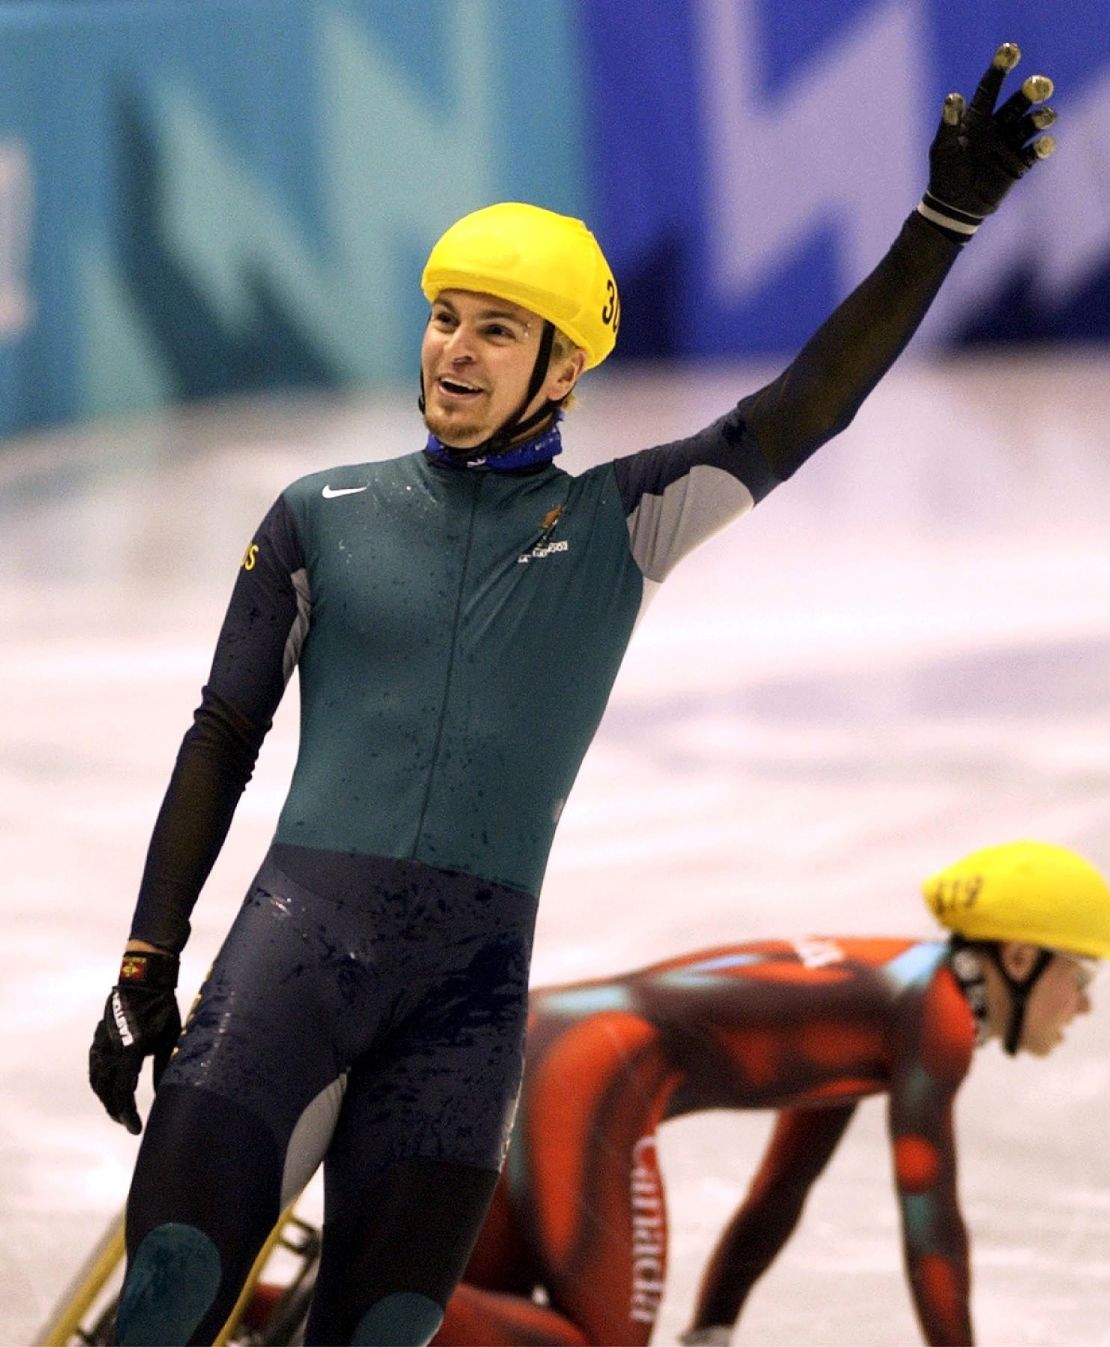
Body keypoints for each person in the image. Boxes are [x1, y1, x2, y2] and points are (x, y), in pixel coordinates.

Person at [87, 44, 1057, 1347]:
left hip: (465, 1011)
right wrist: (150, 956)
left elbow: (803, 408)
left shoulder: (623, 524)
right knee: (162, 1306)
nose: (455, 349)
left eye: (497, 328)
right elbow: (223, 734)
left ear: (562, 369)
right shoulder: (320, 517)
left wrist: (939, 226)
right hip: (286, 971)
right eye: (443, 315)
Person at [430, 841, 1109, 1347]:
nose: (1083, 1004)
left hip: (535, 1029)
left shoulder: (887, 994)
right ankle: (346, 1299)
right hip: (591, 1065)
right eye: (1081, 974)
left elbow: (784, 1183)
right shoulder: (938, 1020)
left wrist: (714, 1325)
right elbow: (931, 1220)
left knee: (479, 1312)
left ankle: (354, 1300)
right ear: (1020, 958)